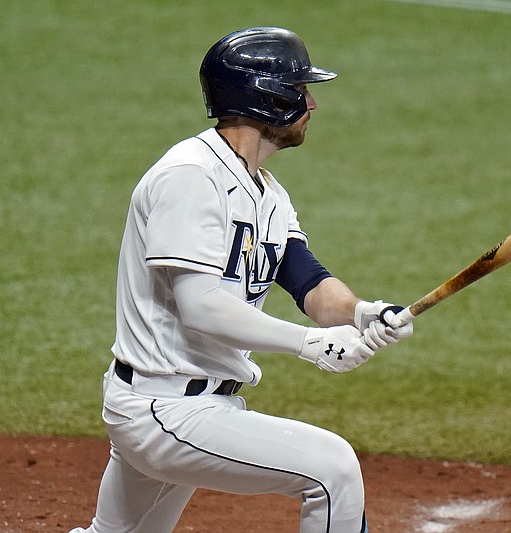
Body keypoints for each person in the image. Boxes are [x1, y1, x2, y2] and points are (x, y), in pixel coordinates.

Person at [69, 27, 413, 533]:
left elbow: (308, 281)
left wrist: (363, 313)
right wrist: (311, 344)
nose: (311, 103)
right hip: (165, 409)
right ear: (266, 98)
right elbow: (202, 306)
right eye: (299, 91)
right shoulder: (190, 176)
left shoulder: (267, 193)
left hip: (185, 402)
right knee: (333, 469)